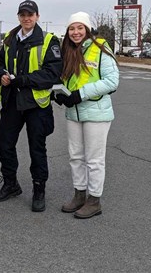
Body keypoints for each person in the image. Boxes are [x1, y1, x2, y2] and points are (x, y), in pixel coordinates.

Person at [0, 0, 62, 212]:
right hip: (13, 101)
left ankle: (39, 189)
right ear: (18, 17)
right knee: (5, 144)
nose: (26, 18)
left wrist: (22, 80)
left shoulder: (49, 40)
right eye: (23, 14)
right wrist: (1, 76)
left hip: (36, 104)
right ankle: (11, 184)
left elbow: (52, 74)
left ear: (37, 16)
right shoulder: (9, 40)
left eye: (30, 14)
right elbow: (0, 66)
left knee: (37, 149)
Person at [54, 12, 119, 219]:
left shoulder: (101, 49)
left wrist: (79, 95)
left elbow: (111, 81)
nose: (75, 32)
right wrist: (61, 93)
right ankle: (79, 194)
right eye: (72, 28)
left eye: (80, 28)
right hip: (74, 113)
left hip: (96, 113)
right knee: (75, 156)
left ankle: (94, 200)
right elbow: (69, 80)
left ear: (88, 29)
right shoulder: (69, 51)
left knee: (94, 160)